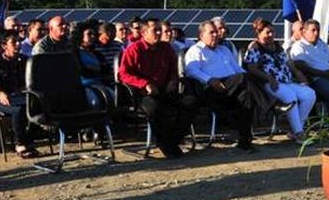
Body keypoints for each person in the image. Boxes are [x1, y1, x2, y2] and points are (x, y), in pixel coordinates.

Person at [118, 18, 197, 158]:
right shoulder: (134, 49)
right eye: (155, 30)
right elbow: (123, 74)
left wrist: (173, 81)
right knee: (156, 108)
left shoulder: (166, 48)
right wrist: (144, 83)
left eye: (160, 29)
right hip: (143, 94)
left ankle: (173, 140)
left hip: (165, 90)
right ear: (143, 33)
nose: (159, 33)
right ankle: (165, 144)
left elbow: (173, 70)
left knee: (190, 103)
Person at [184, 21, 257, 151]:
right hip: (212, 89)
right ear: (201, 35)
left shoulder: (223, 50)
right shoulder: (196, 50)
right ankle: (267, 103)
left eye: (216, 32)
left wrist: (251, 80)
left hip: (232, 86)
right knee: (246, 80)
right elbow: (191, 70)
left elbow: (237, 69)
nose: (215, 35)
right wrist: (210, 80)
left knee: (247, 95)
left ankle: (245, 140)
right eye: (211, 32)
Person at [244, 18, 316, 142]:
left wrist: (300, 77)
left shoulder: (277, 45)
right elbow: (252, 68)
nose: (271, 35)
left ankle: (296, 129)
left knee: (309, 94)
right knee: (290, 97)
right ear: (259, 33)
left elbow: (288, 63)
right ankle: (299, 133)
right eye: (267, 32)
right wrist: (268, 78)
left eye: (272, 31)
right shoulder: (255, 47)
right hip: (269, 83)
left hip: (287, 81)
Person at [0, 31, 39, 158]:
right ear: (4, 46)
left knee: (37, 105)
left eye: (19, 41)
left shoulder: (25, 61)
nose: (18, 44)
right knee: (18, 110)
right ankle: (19, 143)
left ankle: (29, 139)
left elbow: (32, 81)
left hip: (19, 96)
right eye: (13, 42)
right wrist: (1, 95)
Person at [72, 21, 115, 110]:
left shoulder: (97, 54)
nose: (92, 37)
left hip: (100, 85)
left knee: (115, 99)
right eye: (89, 34)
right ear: (81, 36)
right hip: (83, 87)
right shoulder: (74, 53)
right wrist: (95, 70)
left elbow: (106, 70)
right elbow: (79, 70)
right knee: (95, 102)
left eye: (93, 34)